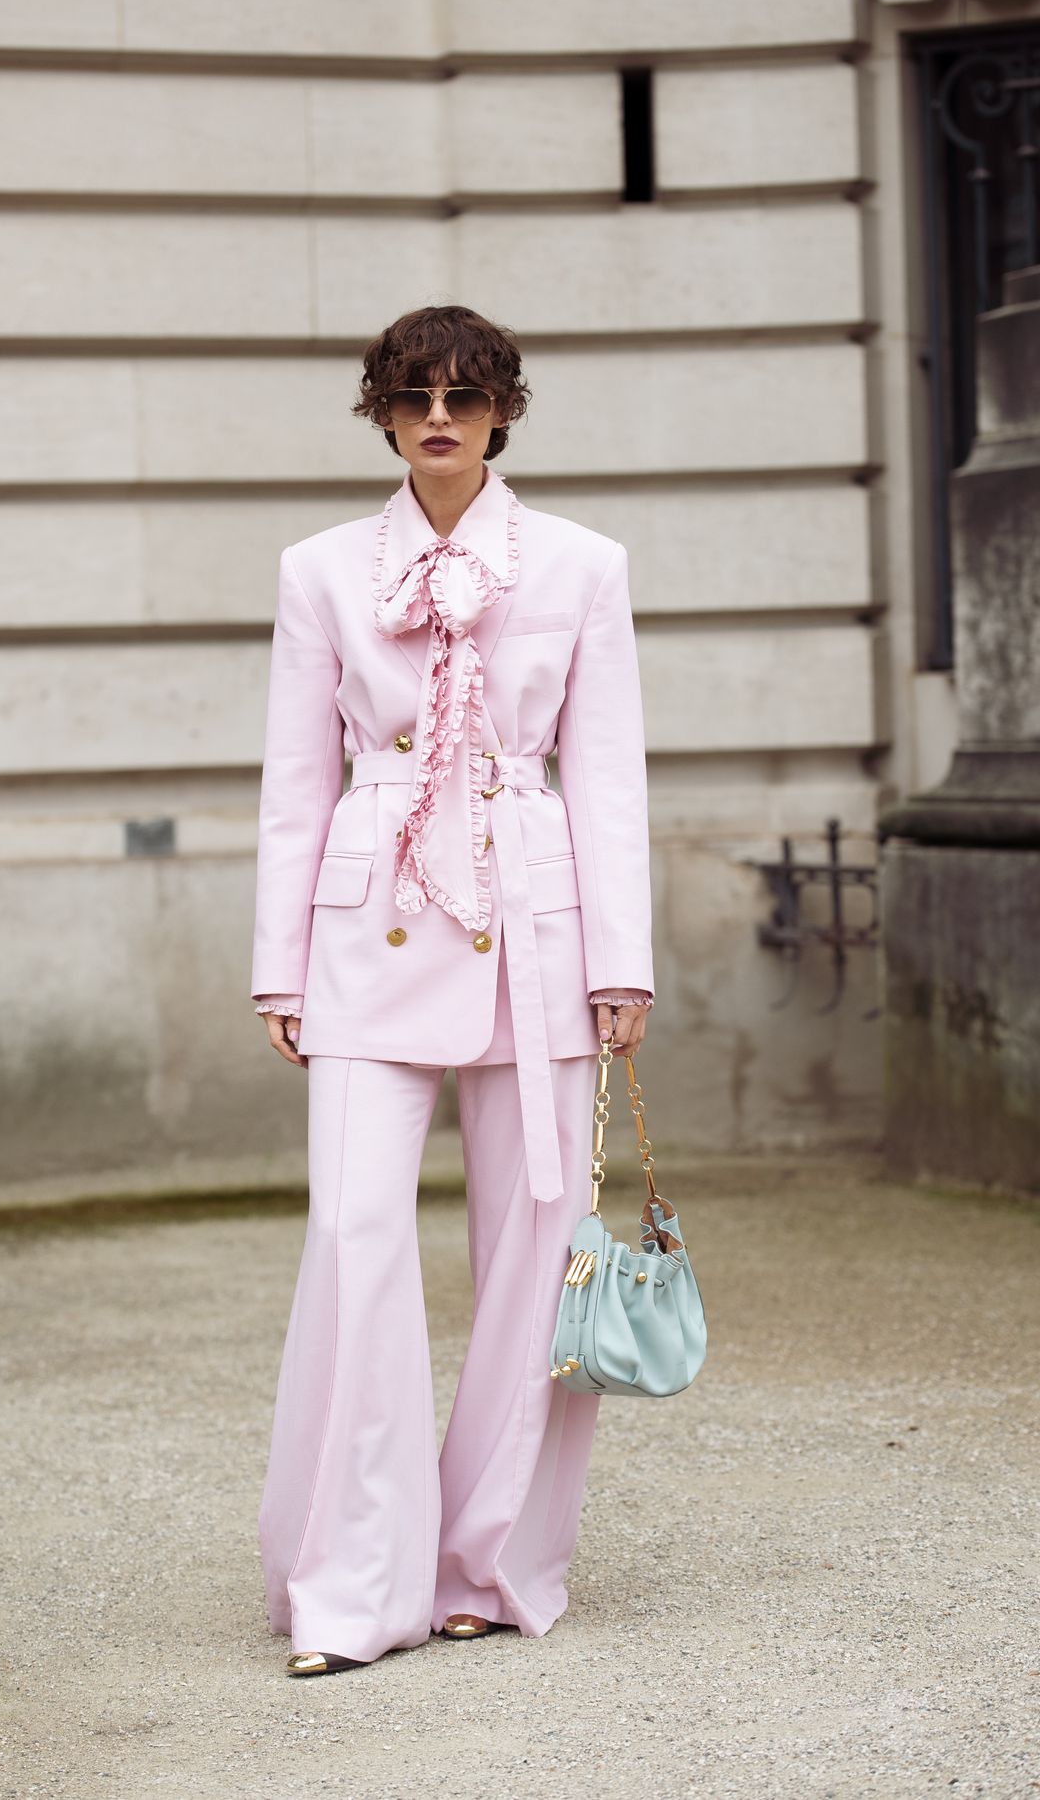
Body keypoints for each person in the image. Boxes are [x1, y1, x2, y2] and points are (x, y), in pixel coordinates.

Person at [250, 304, 654, 1676]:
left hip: (535, 930)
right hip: (370, 930)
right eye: (415, 395)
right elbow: (294, 781)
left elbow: (606, 774)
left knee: (535, 1246)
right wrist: (277, 965)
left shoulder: (584, 567)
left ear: (502, 412)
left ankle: (489, 1561)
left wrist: (622, 962)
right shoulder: (318, 572)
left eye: (465, 396)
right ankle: (352, 1586)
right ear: (380, 411)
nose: (440, 416)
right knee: (356, 1238)